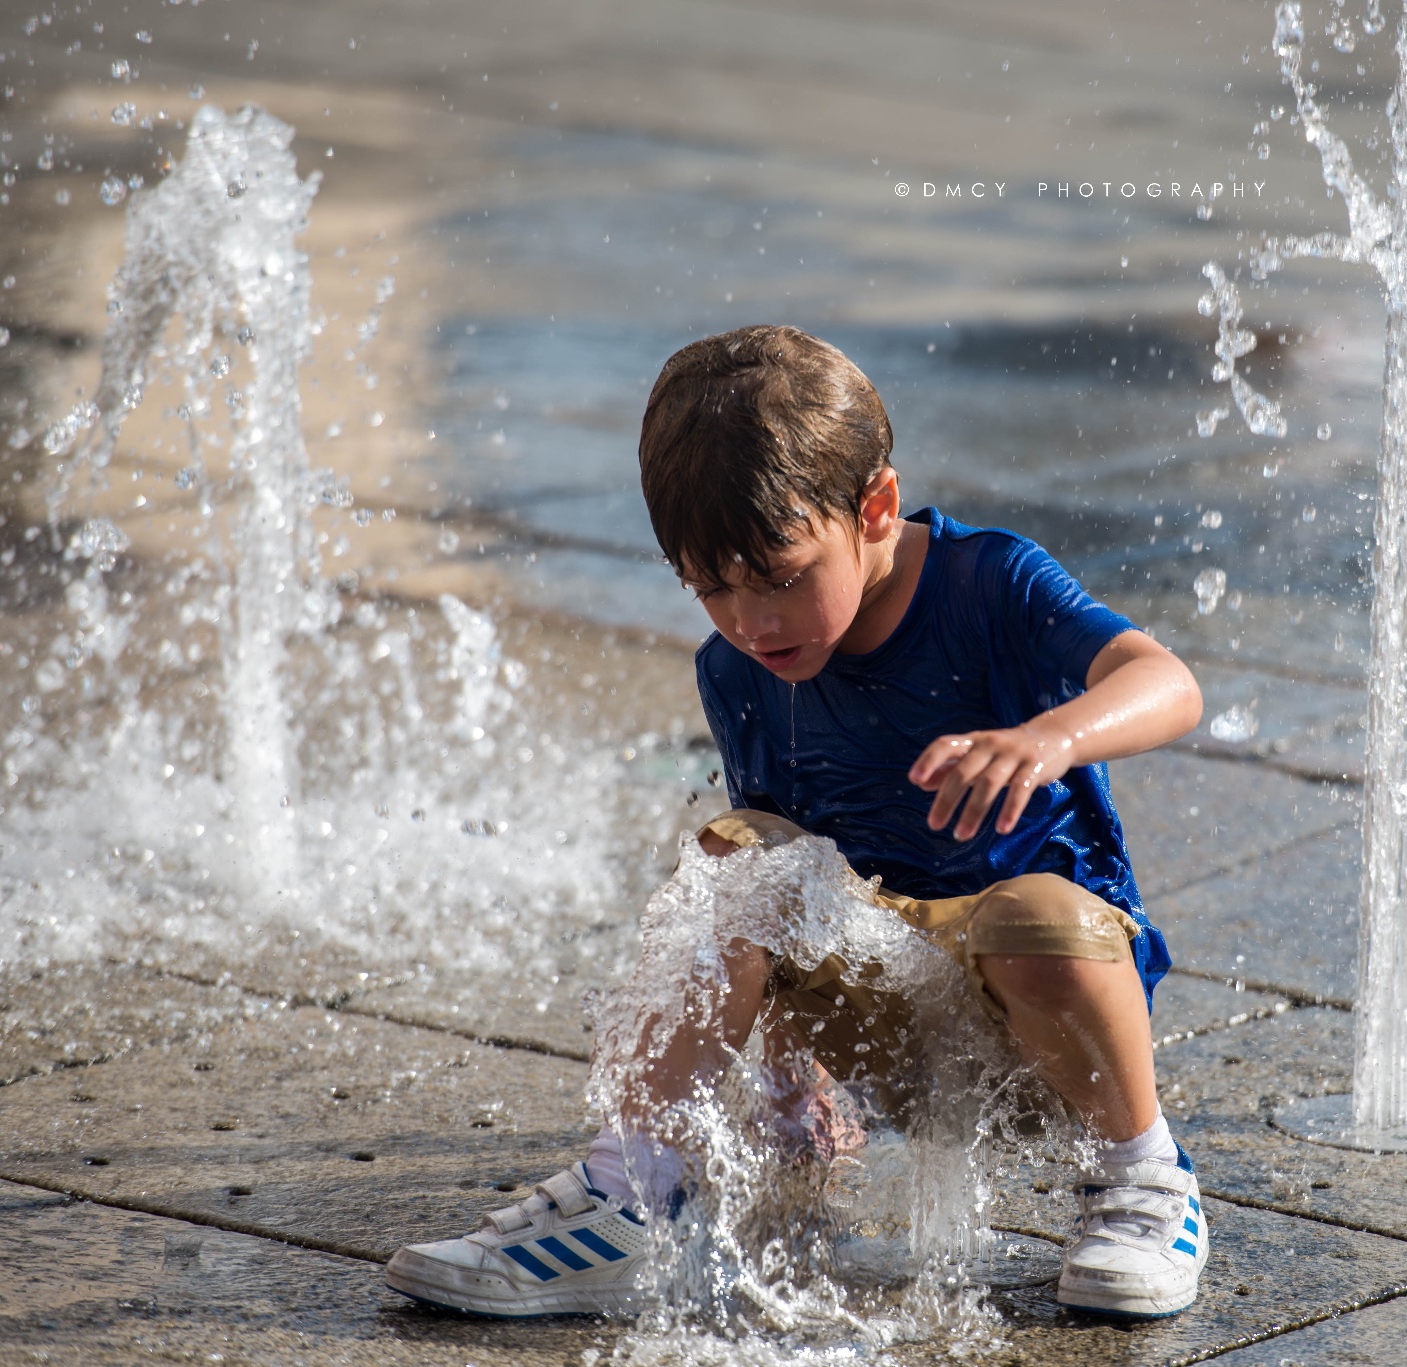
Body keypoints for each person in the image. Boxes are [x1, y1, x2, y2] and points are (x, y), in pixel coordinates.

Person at [383, 325, 1208, 1321]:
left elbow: (1165, 680)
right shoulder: (734, 672)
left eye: (777, 575)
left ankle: (1143, 1177)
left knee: (1028, 916)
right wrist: (788, 1082)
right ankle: (630, 1190)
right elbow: (772, 894)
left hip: (1046, 1032)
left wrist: (1050, 737)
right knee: (735, 857)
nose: (751, 620)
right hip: (887, 1026)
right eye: (710, 586)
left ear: (875, 508)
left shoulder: (987, 583)